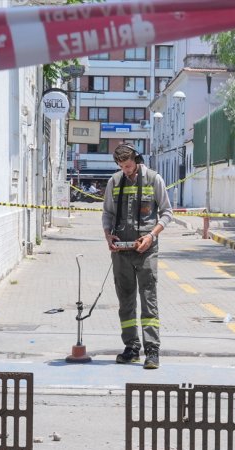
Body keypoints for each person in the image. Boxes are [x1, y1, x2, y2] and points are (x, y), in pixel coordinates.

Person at [102, 143, 173, 369]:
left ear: (137, 160)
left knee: (148, 299)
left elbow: (167, 212)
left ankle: (152, 351)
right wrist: (108, 236)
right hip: (121, 252)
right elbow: (108, 213)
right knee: (126, 301)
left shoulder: (154, 179)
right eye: (122, 167)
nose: (126, 170)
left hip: (146, 250)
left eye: (129, 165)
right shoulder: (114, 182)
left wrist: (151, 236)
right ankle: (131, 348)